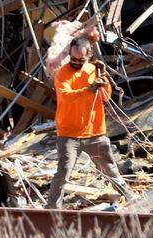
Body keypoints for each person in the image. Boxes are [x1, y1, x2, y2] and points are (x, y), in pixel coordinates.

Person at [45, 38, 136, 209]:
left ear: (89, 56)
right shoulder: (62, 74)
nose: (76, 62)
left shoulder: (93, 70)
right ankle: (51, 209)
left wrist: (103, 81)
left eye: (81, 59)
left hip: (94, 132)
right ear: (69, 54)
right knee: (63, 172)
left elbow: (105, 97)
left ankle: (130, 197)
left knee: (110, 169)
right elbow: (66, 97)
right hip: (69, 134)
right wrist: (89, 89)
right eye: (73, 58)